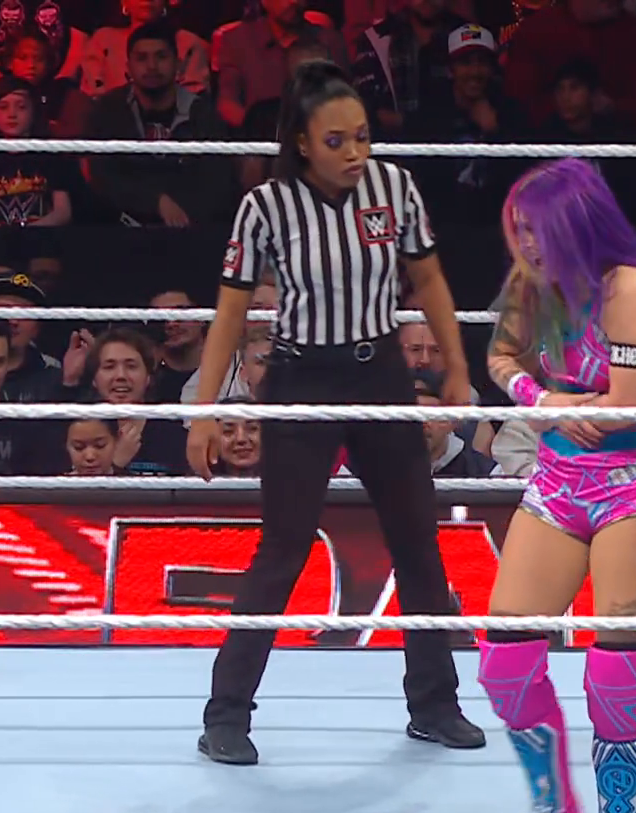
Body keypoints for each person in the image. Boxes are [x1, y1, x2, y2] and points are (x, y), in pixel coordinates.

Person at [185, 59, 484, 765]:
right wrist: (203, 411)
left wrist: (457, 367)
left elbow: (429, 278)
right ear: (302, 142)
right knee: (284, 546)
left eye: (363, 137)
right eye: (336, 141)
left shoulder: (394, 186)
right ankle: (226, 715)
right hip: (301, 378)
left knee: (417, 539)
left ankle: (435, 705)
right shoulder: (266, 206)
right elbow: (230, 313)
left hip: (379, 373)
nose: (355, 153)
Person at [478, 158, 636, 813]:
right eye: (519, 229)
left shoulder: (631, 288)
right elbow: (500, 357)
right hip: (558, 478)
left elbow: (629, 402)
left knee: (616, 665)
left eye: (538, 229)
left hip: (631, 485)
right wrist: (546, 401)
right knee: (504, 659)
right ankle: (554, 810)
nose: (527, 244)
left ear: (575, 225)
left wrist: (568, 408)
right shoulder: (529, 285)